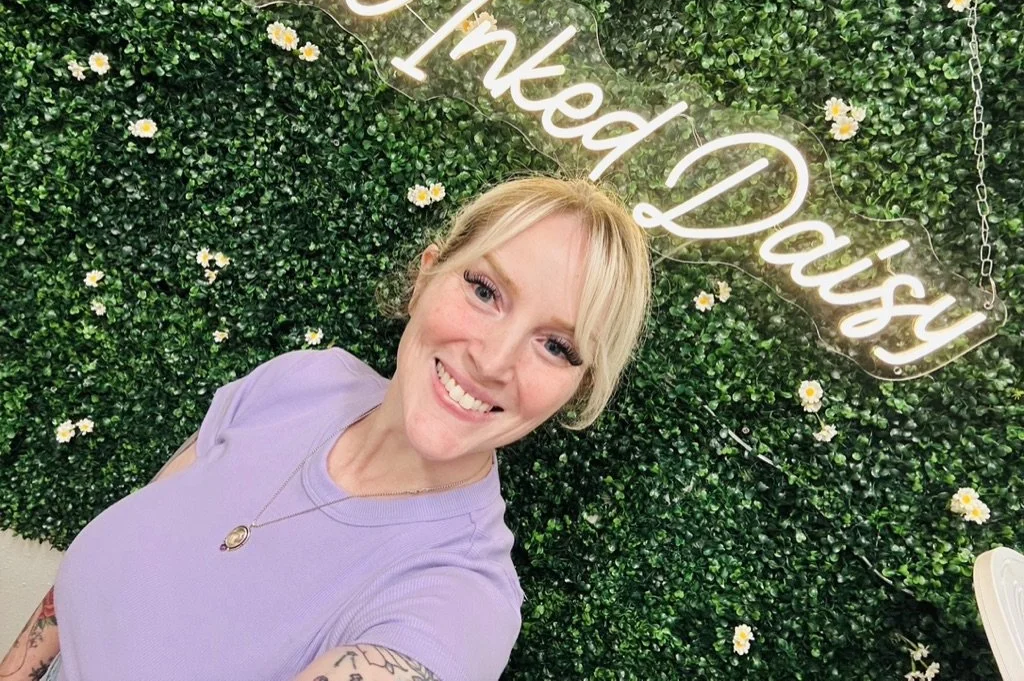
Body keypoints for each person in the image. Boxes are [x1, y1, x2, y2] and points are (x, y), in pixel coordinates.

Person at [1, 174, 653, 681]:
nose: (493, 359)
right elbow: (113, 564)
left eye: (556, 347)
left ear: (575, 390)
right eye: (485, 290)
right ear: (426, 275)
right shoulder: (302, 382)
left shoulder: (460, 601)